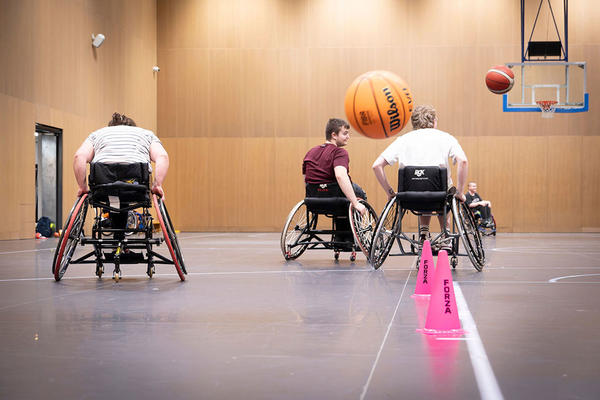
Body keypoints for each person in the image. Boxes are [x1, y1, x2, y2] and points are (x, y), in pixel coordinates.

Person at [371, 105, 468, 246]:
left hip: (409, 196)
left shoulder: (403, 139)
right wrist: (459, 191)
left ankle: (423, 233)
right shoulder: (446, 138)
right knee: (445, 187)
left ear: (414, 123)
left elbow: (376, 165)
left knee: (421, 185)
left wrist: (390, 192)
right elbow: (463, 161)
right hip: (439, 195)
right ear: (434, 121)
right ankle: (445, 235)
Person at [73, 112, 169, 239]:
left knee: (114, 196)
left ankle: (118, 239)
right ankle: (119, 239)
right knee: (123, 195)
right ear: (133, 127)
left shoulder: (97, 135)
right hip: (136, 184)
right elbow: (162, 156)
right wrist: (157, 185)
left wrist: (82, 186)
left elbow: (79, 156)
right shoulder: (146, 134)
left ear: (111, 127)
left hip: (103, 184)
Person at [303, 118, 367, 215]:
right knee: (359, 192)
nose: (348, 137)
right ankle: (354, 227)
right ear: (334, 135)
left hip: (313, 198)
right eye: (345, 133)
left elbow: (306, 177)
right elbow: (340, 176)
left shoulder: (311, 152)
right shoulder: (339, 152)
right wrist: (355, 203)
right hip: (335, 196)